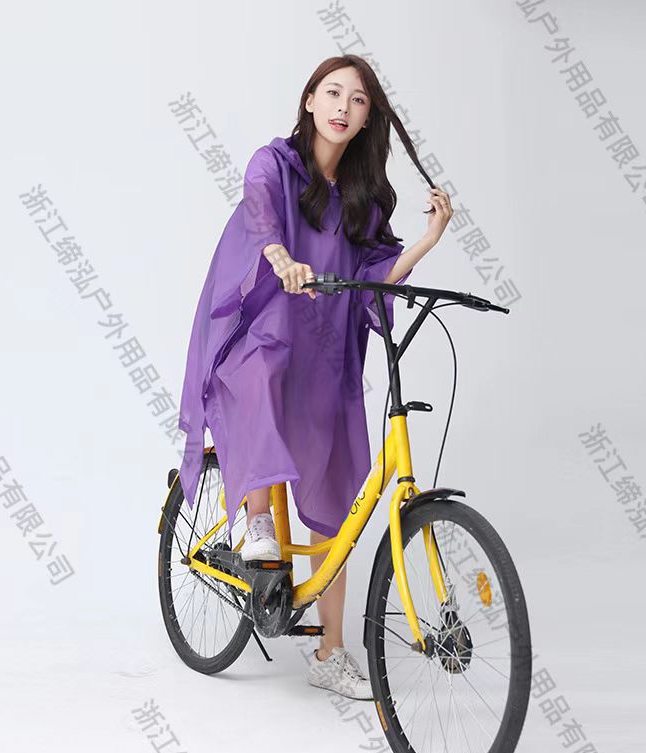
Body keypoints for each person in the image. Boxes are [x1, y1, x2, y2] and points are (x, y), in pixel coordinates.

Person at [177, 55, 453, 699]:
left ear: (367, 118)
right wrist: (280, 257)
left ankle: (330, 651)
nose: (343, 108)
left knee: (337, 501)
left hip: (325, 354)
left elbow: (375, 278)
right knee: (260, 369)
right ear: (309, 100)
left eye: (358, 100)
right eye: (333, 93)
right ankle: (259, 528)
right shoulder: (274, 164)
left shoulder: (362, 200)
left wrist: (426, 241)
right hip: (263, 331)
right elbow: (260, 215)